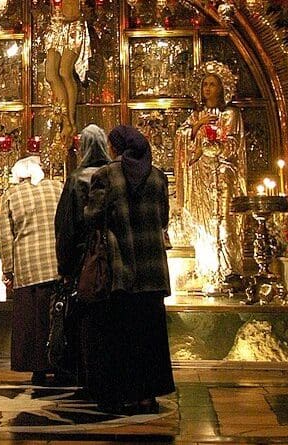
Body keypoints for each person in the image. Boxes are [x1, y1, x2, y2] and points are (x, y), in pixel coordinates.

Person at [82, 125, 175, 415]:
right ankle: (147, 396)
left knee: (120, 334)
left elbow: (92, 216)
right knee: (150, 336)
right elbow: (163, 218)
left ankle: (119, 393)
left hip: (121, 269)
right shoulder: (158, 177)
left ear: (117, 147)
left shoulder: (107, 175)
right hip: (152, 271)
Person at [174, 60, 246, 288]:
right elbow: (181, 137)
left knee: (224, 222)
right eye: (205, 84)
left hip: (223, 176)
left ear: (222, 88)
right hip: (201, 178)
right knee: (203, 222)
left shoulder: (230, 114)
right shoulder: (196, 116)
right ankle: (207, 269)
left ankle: (228, 271)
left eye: (213, 84)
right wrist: (199, 126)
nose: (208, 88)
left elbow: (233, 145)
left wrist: (216, 144)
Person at [0, 155, 64, 385]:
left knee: (34, 322)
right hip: (56, 263)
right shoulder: (57, 187)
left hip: (28, 267)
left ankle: (38, 368)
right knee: (57, 318)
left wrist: (8, 269)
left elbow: (6, 236)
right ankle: (61, 364)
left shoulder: (11, 195)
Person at [54, 124, 111, 383]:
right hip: (109, 256)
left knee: (84, 318)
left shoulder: (77, 179)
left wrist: (64, 266)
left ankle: (84, 373)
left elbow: (66, 225)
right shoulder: (113, 174)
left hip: (82, 258)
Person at [44, 0, 91, 141]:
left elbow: (78, 10)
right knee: (50, 75)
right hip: (55, 26)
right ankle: (66, 121)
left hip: (73, 26)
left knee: (64, 72)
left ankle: (69, 120)